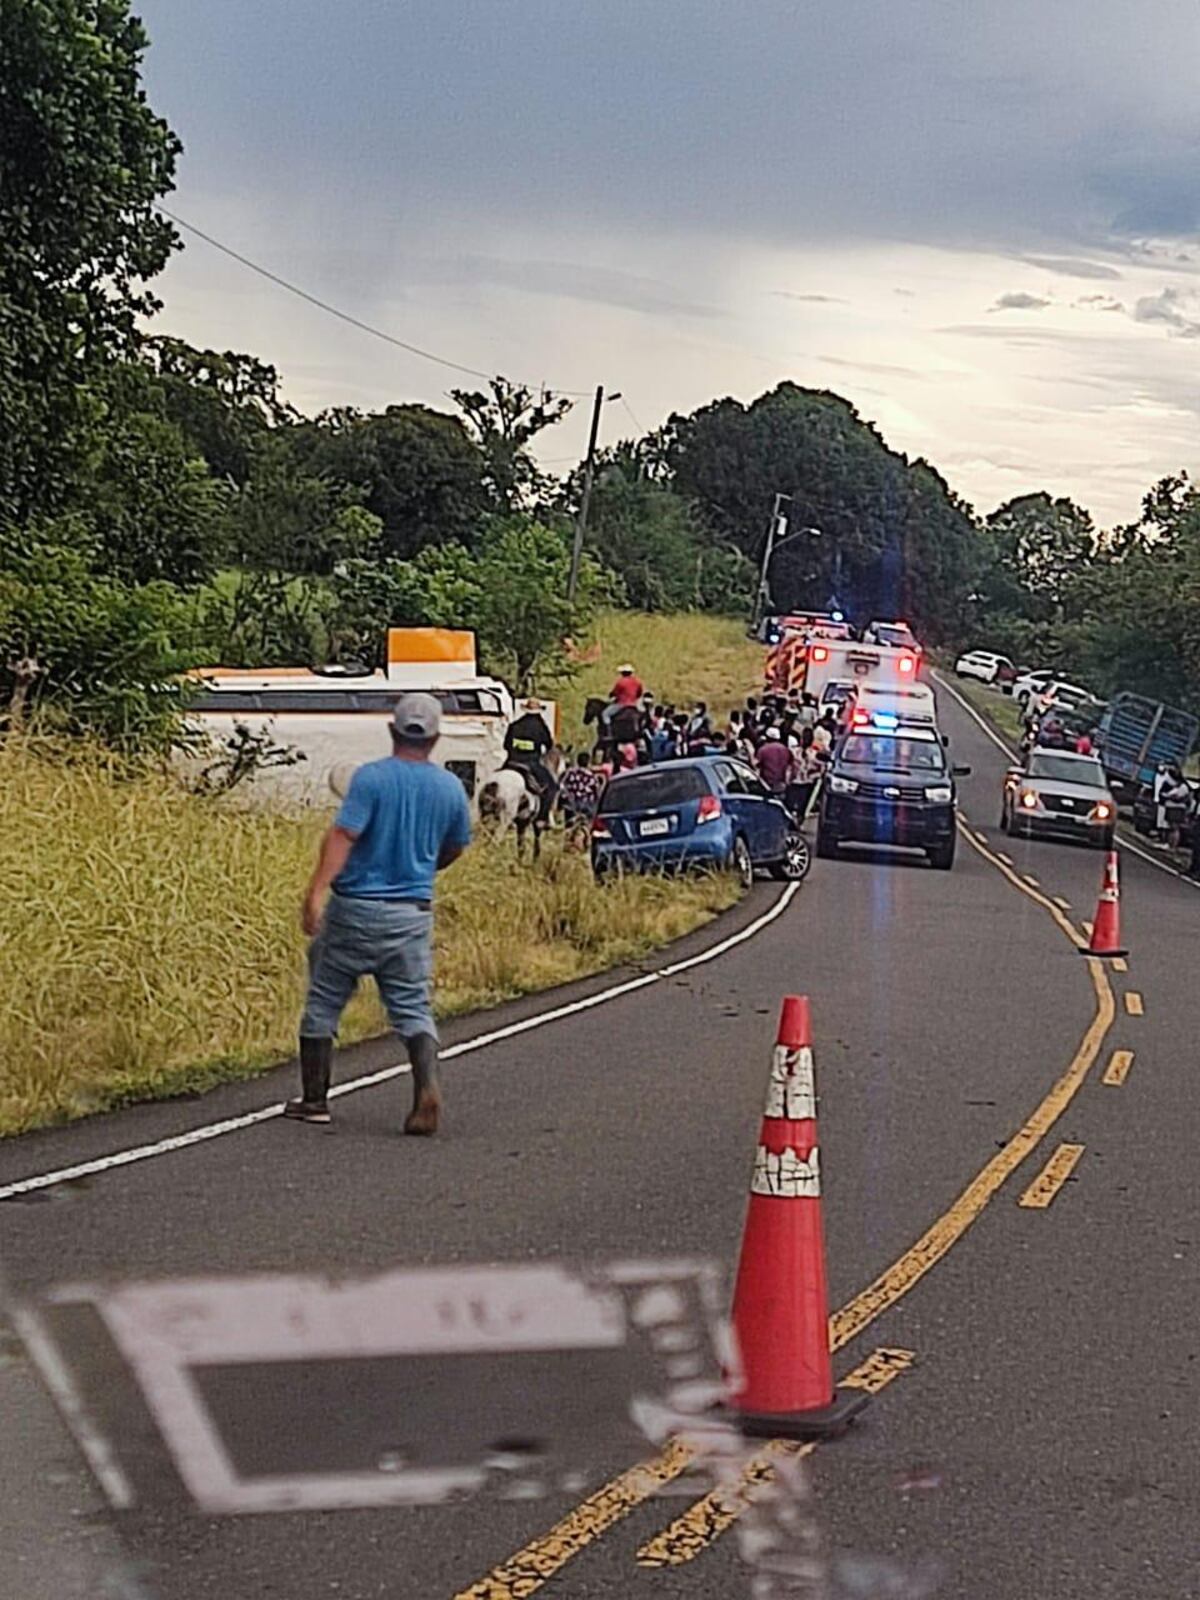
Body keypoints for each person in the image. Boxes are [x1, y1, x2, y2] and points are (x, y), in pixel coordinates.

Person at [288, 693, 471, 1136]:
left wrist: (315, 892)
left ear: (393, 731)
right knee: (412, 1006)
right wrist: (426, 866)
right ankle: (425, 1087)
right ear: (435, 737)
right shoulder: (449, 788)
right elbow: (457, 844)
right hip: (411, 912)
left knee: (325, 999)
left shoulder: (370, 780)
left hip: (355, 909)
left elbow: (344, 835)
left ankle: (314, 1100)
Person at [504, 697, 556, 799]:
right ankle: (543, 814)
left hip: (511, 761)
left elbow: (506, 745)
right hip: (531, 763)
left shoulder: (515, 725)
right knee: (551, 787)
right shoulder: (540, 726)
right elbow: (549, 744)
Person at [786, 727, 823, 822]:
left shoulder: (795, 751)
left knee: (793, 805)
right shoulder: (813, 753)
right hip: (803, 783)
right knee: (801, 806)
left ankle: (794, 820)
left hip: (797, 782)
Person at [559, 749, 602, 823]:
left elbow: (561, 785)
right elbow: (597, 792)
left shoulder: (570, 772)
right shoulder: (591, 776)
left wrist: (565, 795)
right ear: (588, 763)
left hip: (571, 803)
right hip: (587, 805)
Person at [755, 725, 792, 796]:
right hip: (781, 785)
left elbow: (756, 764)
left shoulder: (763, 749)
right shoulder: (786, 750)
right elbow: (790, 766)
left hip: (766, 785)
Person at [1161, 766, 1191, 850]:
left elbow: (1179, 797)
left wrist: (1169, 797)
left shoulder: (1183, 787)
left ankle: (1172, 845)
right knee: (1170, 826)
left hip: (1177, 808)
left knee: (1174, 827)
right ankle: (1168, 843)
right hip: (1171, 807)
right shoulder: (1176, 786)